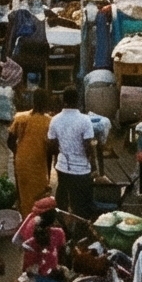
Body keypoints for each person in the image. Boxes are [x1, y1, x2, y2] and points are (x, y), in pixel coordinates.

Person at [47, 85, 105, 219]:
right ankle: (81, 232)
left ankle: (63, 230)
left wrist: (60, 157)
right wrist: (94, 168)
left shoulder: (55, 120)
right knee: (82, 206)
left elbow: (52, 145)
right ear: (78, 101)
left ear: (63, 100)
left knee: (62, 203)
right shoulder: (85, 120)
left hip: (62, 168)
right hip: (81, 170)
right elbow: (89, 146)